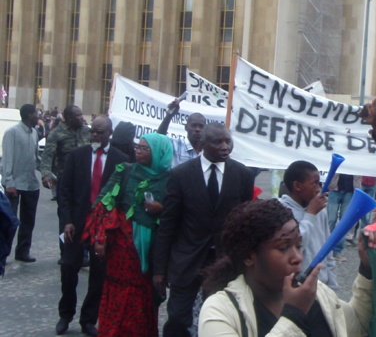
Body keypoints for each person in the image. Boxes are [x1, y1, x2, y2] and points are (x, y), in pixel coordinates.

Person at [198, 199, 374, 336]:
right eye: (283, 248)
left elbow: (358, 326)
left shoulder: (318, 294)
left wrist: (367, 269)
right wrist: (294, 315)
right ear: (249, 256)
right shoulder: (221, 310)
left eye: (299, 246)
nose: (297, 258)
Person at [153, 122, 255, 336]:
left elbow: (245, 222)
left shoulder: (242, 174)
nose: (225, 146)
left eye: (228, 141)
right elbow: (168, 224)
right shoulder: (181, 175)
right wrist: (160, 270)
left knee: (219, 318)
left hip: (224, 260)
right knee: (178, 318)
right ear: (202, 144)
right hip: (187, 260)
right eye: (218, 142)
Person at [83, 132, 173, 336]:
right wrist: (100, 236)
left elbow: (180, 213)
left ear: (158, 153)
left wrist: (162, 209)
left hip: (152, 253)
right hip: (121, 250)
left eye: (144, 148)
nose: (138, 152)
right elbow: (102, 203)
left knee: (143, 296)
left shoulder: (171, 180)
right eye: (137, 147)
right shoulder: (126, 172)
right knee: (118, 292)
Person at [55, 116, 128, 336]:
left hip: (103, 228)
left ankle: (88, 319)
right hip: (75, 224)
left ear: (110, 133)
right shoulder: (76, 156)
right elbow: (65, 191)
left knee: (99, 274)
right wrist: (66, 221)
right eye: (93, 132)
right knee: (69, 268)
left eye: (100, 132)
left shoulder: (121, 160)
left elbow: (121, 196)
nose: (95, 135)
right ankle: (65, 314)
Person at [41, 105, 90, 260]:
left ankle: (84, 252)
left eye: (81, 114)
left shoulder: (86, 131)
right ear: (68, 118)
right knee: (65, 217)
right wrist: (46, 175)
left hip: (85, 181)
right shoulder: (56, 134)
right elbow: (48, 156)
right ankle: (66, 253)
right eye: (77, 116)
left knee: (85, 216)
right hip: (66, 182)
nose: (81, 118)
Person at [279, 161, 338, 290]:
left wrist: (332, 287)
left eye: (319, 183)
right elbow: (298, 244)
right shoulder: (281, 210)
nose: (318, 189)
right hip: (298, 286)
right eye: (314, 183)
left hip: (322, 286)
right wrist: (310, 213)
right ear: (297, 186)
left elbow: (327, 250)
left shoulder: (320, 211)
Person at [1, 104, 41, 262]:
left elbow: (36, 157)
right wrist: (9, 181)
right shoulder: (12, 132)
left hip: (31, 183)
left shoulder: (34, 133)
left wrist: (46, 173)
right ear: (29, 115)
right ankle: (3, 253)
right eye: (36, 114)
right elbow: (7, 159)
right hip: (15, 184)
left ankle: (23, 251)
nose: (38, 117)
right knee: (9, 221)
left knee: (28, 221)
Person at [157, 98, 206, 167]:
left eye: (201, 126)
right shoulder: (174, 145)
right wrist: (169, 116)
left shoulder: (207, 152)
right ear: (186, 127)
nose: (197, 129)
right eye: (194, 125)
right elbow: (158, 139)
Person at [327, 173, 361, 261]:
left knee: (344, 222)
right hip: (334, 188)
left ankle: (337, 252)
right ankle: (327, 248)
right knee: (331, 219)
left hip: (350, 191)